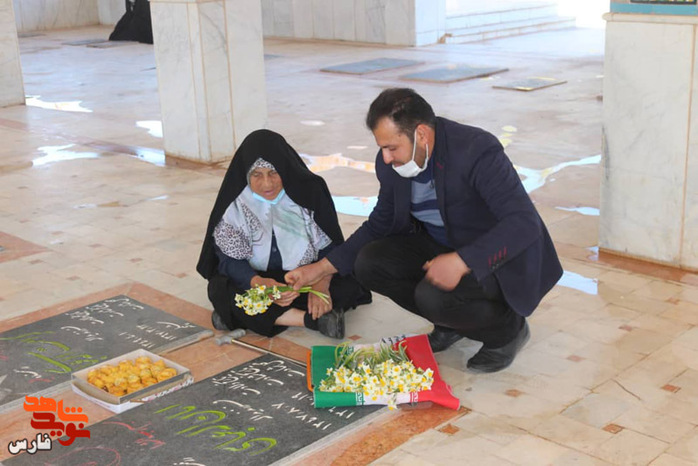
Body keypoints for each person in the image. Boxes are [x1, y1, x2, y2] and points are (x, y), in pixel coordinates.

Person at [286, 88, 562, 373]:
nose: (386, 158)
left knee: (433, 296)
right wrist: (321, 269)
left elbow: (523, 223)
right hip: (442, 244)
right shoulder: (392, 165)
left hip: (493, 255)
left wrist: (462, 261)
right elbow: (381, 222)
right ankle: (451, 324)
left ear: (421, 134)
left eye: (392, 148)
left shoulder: (475, 150)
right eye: (382, 148)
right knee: (368, 263)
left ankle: (508, 331)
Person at [197, 129, 371, 339]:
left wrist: (320, 283)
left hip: (306, 276)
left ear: (285, 168)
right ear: (246, 174)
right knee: (219, 287)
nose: (267, 183)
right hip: (257, 279)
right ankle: (311, 320)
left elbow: (331, 247)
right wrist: (257, 282)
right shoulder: (234, 205)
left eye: (273, 172)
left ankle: (238, 316)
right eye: (257, 175)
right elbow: (227, 260)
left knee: (347, 283)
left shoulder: (309, 192)